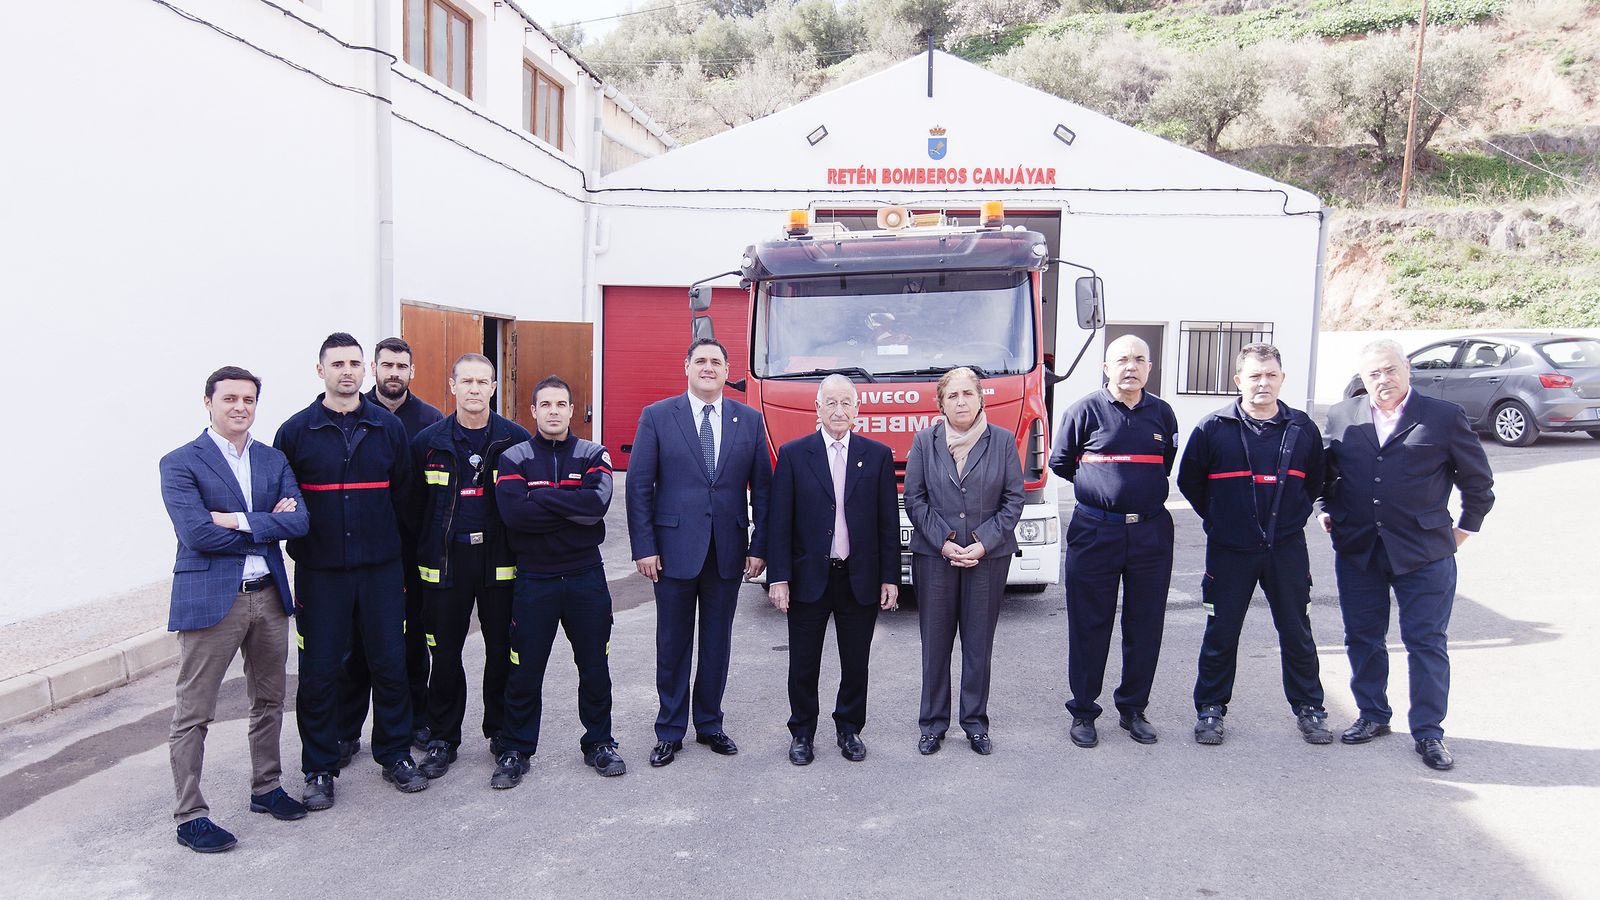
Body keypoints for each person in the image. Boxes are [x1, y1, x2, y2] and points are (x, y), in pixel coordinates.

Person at [1321, 339, 1495, 771]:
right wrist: (1327, 509)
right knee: (1362, 637)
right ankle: (1373, 715)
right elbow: (1328, 474)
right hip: (1359, 549)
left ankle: (1429, 732)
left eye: (1389, 370)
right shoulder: (1344, 416)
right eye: (1373, 374)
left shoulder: (1443, 417)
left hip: (1425, 552)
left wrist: (1463, 531)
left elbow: (1478, 483)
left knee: (1426, 643)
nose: (1383, 380)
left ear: (1407, 370)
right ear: (1362, 380)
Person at [159, 366, 310, 852]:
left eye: (248, 399)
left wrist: (235, 519)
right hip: (210, 600)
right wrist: (266, 523)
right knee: (194, 711)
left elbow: (301, 522)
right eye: (229, 398)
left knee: (269, 700)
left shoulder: (272, 460)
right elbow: (196, 533)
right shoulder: (181, 462)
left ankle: (266, 788)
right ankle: (190, 815)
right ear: (208, 402)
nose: (240, 407)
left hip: (267, 594)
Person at [274, 332, 426, 808]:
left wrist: (396, 556)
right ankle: (319, 768)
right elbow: (284, 503)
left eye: (355, 363)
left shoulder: (387, 428)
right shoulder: (295, 432)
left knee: (390, 665)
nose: (347, 371)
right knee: (320, 673)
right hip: (321, 575)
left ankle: (395, 754)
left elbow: (405, 499)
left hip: (381, 572)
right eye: (337, 363)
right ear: (320, 371)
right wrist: (306, 547)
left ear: (365, 372)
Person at [1176, 343, 1332, 746]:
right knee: (1221, 632)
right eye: (1255, 376)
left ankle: (1310, 708)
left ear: (1282, 379)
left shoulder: (1302, 429)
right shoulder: (1214, 428)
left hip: (1286, 549)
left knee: (1297, 631)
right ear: (1238, 381)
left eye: (1271, 375)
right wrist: (1222, 520)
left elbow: (1315, 481)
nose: (1263, 383)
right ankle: (1210, 709)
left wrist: (1293, 518)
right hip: (1231, 550)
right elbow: (1190, 482)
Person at [626, 337, 772, 768]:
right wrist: (645, 547)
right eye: (701, 361)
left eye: (716, 362)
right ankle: (670, 729)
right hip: (671, 552)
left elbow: (763, 488)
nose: (708, 367)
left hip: (728, 550)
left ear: (728, 372)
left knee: (716, 643)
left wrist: (759, 545)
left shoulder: (748, 419)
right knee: (672, 643)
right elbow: (638, 487)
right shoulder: (657, 417)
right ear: (686, 367)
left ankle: (709, 723)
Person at [491, 375, 626, 788]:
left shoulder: (594, 453)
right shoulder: (513, 457)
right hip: (535, 580)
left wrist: (541, 496)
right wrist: (568, 503)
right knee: (525, 669)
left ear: (571, 410)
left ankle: (599, 743)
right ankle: (515, 749)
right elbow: (514, 516)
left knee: (594, 665)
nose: (553, 411)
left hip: (586, 578)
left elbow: (594, 507)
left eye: (560, 404)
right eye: (545, 404)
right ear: (533, 411)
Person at [1050, 334, 1179, 748]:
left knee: (1145, 623)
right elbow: (1062, 462)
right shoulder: (1083, 411)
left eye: (1139, 359)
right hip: (1094, 532)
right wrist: (1101, 490)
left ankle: (1133, 708)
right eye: (1122, 359)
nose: (1131, 366)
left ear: (1149, 367)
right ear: (1107, 367)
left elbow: (1167, 464)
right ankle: (1084, 711)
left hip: (1150, 533)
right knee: (1090, 623)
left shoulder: (1163, 414)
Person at [407, 354, 530, 780]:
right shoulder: (427, 441)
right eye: (467, 381)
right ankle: (442, 738)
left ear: (494, 387)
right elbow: (413, 512)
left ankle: (501, 734)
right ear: (452, 385)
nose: (475, 389)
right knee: (443, 654)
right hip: (445, 564)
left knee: (503, 651)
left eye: (483, 381)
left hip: (499, 562)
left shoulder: (516, 440)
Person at [767, 374, 900, 765]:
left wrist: (890, 576)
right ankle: (802, 732)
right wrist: (779, 577)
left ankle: (849, 729)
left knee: (855, 661)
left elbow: (887, 523)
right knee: (803, 662)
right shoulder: (794, 454)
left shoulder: (876, 456)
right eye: (831, 403)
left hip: (858, 578)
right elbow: (780, 522)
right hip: (809, 577)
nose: (839, 410)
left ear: (857, 410)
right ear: (818, 408)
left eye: (847, 403)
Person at [904, 366, 1024, 756]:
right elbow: (915, 499)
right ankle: (932, 724)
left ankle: (975, 723)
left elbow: (1013, 501)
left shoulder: (1003, 442)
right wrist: (944, 541)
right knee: (934, 644)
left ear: (980, 399)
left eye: (967, 394)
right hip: (936, 558)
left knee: (977, 645)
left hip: (987, 559)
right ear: (941, 403)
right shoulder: (924, 442)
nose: (960, 402)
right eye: (952, 396)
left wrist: (982, 543)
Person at [339, 337, 442, 761]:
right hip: (361, 554)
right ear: (373, 370)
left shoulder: (430, 420)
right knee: (356, 646)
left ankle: (416, 720)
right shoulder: (355, 414)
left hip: (412, 552)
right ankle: (347, 729)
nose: (394, 373)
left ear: (412, 372)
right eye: (387, 365)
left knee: (413, 642)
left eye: (402, 366)